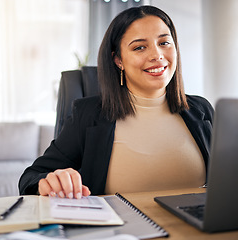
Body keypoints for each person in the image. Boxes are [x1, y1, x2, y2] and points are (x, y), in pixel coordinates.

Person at [19, 5, 214, 199]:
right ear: (118, 60)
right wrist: (50, 182)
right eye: (139, 47)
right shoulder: (88, 115)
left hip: (199, 228)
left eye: (164, 43)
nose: (157, 55)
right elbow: (30, 177)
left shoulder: (201, 110)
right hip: (122, 229)